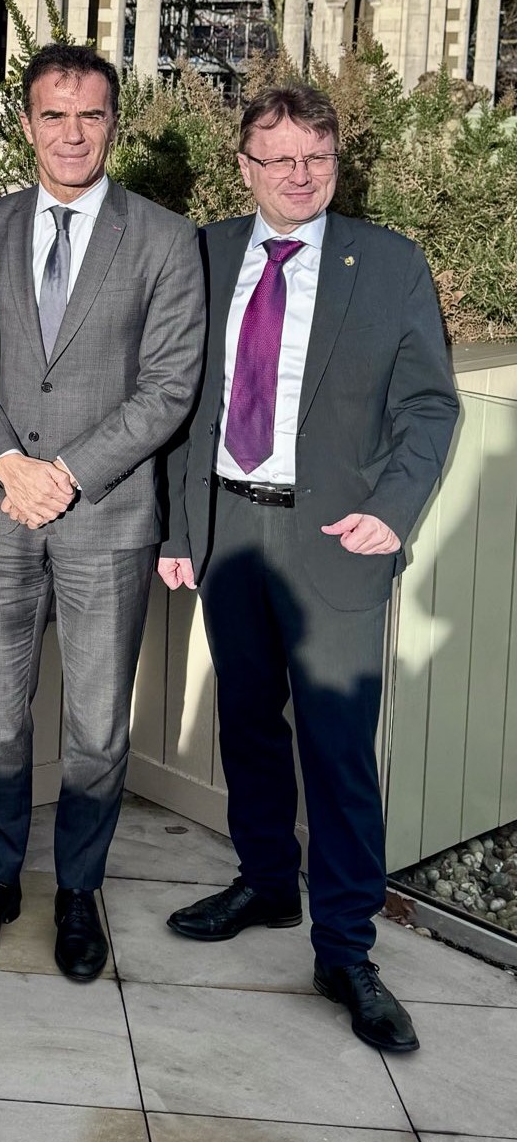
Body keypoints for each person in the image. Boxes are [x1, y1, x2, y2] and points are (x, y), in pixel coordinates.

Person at [158, 85, 458, 1052]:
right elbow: (174, 400)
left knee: (335, 749)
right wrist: (176, 528)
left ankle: (347, 950)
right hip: (229, 531)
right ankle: (263, 882)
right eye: (279, 158)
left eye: (317, 159)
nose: (300, 176)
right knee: (246, 721)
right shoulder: (201, 255)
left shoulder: (390, 265)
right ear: (244, 166)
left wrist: (392, 510)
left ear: (336, 161)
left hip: (336, 541)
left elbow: (430, 408)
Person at [0, 44, 204, 982]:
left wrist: (69, 471)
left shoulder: (165, 239)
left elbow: (171, 387)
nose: (71, 133)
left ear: (112, 123)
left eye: (90, 115)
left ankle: (80, 891)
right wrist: (9, 462)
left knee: (97, 729)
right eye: (53, 115)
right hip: (2, 510)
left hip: (107, 517)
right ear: (26, 123)